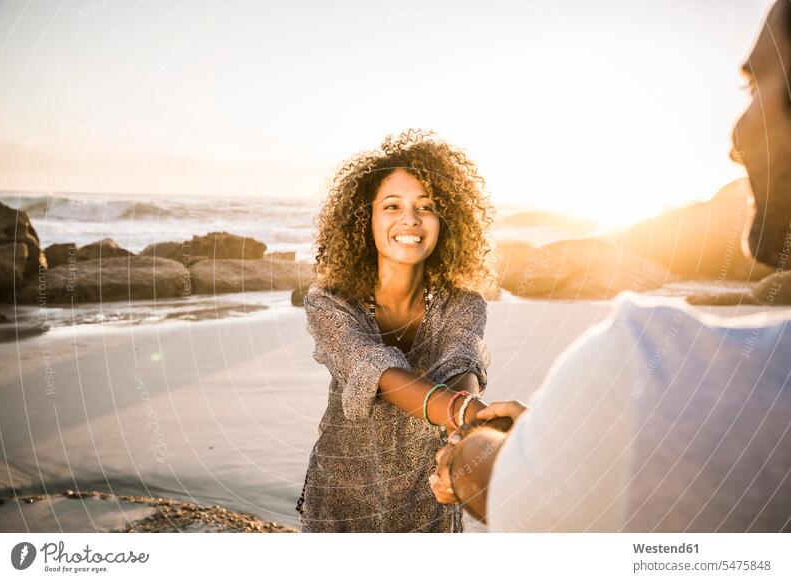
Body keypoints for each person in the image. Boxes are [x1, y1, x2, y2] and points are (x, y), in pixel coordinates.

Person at [430, 0, 791, 532]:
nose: (735, 143)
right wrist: (569, 439)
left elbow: (516, 492)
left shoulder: (647, 369)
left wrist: (471, 453)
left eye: (754, 84)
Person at [296, 130, 497, 532]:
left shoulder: (463, 303)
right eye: (392, 206)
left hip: (428, 500)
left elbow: (463, 365)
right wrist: (469, 414)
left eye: (426, 206)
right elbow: (376, 372)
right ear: (364, 219)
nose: (410, 219)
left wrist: (466, 436)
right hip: (342, 502)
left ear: (445, 221)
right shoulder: (331, 301)